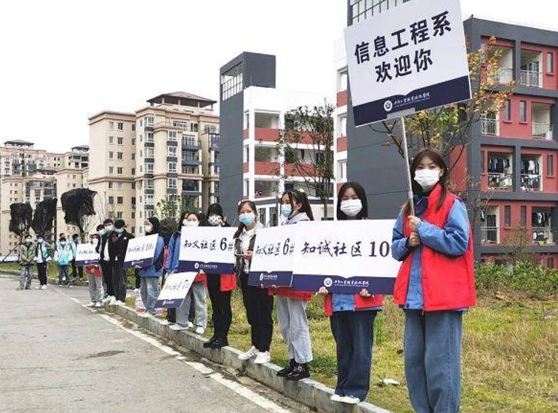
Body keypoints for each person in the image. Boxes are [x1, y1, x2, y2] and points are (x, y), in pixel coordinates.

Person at [391, 148, 475, 413]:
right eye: (419, 167)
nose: (425, 172)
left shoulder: (453, 204)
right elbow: (395, 247)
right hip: (414, 298)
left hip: (443, 297)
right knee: (414, 364)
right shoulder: (408, 208)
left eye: (431, 166)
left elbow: (459, 242)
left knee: (441, 365)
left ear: (441, 171)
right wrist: (408, 241)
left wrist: (424, 230)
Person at [319, 182, 383, 405]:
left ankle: (356, 390)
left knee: (361, 348)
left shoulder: (373, 230)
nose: (349, 202)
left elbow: (381, 264)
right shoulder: (332, 231)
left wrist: (373, 285)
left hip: (362, 300)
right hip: (338, 299)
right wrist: (320, 283)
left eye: (354, 197)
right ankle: (342, 386)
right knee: (343, 346)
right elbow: (320, 262)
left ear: (362, 200)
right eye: (345, 198)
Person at [271, 189, 314, 380]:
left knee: (297, 323)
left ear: (299, 204)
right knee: (285, 323)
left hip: (297, 279)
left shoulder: (304, 224)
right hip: (282, 279)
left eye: (288, 202)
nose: (285, 206)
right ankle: (293, 359)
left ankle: (303, 362)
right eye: (283, 202)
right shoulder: (285, 224)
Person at [234, 201, 273, 364]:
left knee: (264, 313)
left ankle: (265, 349)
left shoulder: (265, 232)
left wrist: (255, 256)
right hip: (245, 277)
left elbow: (270, 254)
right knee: (252, 314)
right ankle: (256, 346)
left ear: (255, 213)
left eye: (249, 211)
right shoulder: (239, 235)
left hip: (262, 278)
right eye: (242, 212)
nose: (246, 214)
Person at [169, 212, 208, 334]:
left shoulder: (204, 236)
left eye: (194, 219)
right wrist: (174, 270)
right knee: (183, 299)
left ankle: (201, 324)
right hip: (184, 272)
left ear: (199, 222)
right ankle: (182, 322)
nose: (191, 222)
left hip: (199, 273)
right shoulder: (181, 236)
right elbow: (179, 256)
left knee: (200, 300)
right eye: (189, 219)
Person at [204, 203, 236, 349]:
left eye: (216, 214)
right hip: (211, 275)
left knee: (224, 306)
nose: (213, 217)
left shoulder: (228, 230)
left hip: (224, 275)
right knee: (215, 306)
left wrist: (225, 227)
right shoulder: (205, 231)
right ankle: (216, 334)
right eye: (211, 214)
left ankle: (223, 336)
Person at [136, 217, 165, 317]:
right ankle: (147, 308)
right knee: (143, 291)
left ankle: (151, 310)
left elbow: (156, 255)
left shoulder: (159, 239)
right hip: (143, 270)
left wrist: (144, 263)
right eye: (146, 224)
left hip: (153, 269)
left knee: (152, 290)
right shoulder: (146, 239)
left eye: (148, 224)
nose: (146, 227)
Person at [110, 219, 134, 305]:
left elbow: (131, 248)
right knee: (115, 279)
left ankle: (122, 298)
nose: (117, 229)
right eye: (116, 227)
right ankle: (116, 296)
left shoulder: (129, 236)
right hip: (114, 260)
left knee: (122, 280)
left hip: (123, 260)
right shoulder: (113, 235)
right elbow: (110, 247)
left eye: (119, 227)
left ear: (123, 227)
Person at [85, 233, 104, 308]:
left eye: (96, 237)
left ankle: (99, 300)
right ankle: (93, 300)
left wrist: (96, 264)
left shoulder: (100, 247)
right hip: (89, 268)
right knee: (91, 285)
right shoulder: (88, 247)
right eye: (93, 237)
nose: (94, 239)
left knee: (98, 285)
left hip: (97, 268)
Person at [99, 219, 115, 303]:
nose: (107, 227)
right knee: (107, 278)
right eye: (105, 225)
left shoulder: (114, 235)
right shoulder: (103, 236)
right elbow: (100, 247)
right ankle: (109, 294)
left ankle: (114, 295)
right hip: (104, 260)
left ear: (112, 224)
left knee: (113, 278)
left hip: (112, 260)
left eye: (109, 224)